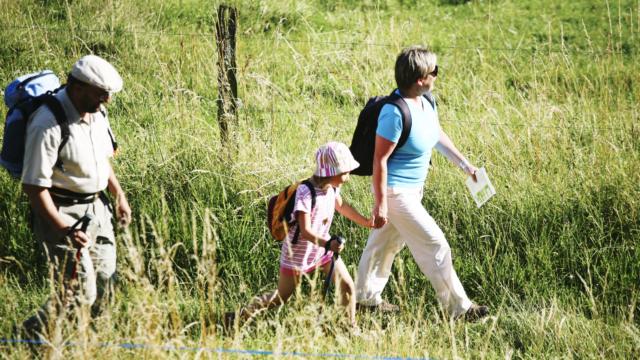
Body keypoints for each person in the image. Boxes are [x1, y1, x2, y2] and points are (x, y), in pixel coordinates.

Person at [355, 46, 489, 321]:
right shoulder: (394, 113)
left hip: (413, 191)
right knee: (435, 244)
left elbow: (434, 133)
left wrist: (466, 166)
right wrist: (381, 205)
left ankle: (364, 300)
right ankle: (459, 309)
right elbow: (380, 161)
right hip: (396, 193)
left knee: (384, 244)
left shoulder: (426, 102)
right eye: (434, 71)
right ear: (420, 78)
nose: (437, 75)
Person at [19, 55, 131, 338]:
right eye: (100, 93)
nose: (106, 100)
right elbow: (34, 186)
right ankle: (27, 338)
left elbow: (102, 161)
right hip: (62, 213)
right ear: (77, 87)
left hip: (98, 210)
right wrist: (64, 228)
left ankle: (86, 344)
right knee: (80, 292)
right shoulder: (47, 124)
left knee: (107, 283)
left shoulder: (97, 114)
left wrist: (118, 196)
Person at [228, 142, 373, 329]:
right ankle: (240, 316)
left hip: (322, 251)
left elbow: (342, 207)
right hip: (297, 255)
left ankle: (350, 327)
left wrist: (366, 222)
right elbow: (305, 231)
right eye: (345, 172)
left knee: (347, 285)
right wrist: (328, 243)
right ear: (330, 172)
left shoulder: (333, 188)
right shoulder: (306, 192)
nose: (348, 176)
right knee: (281, 297)